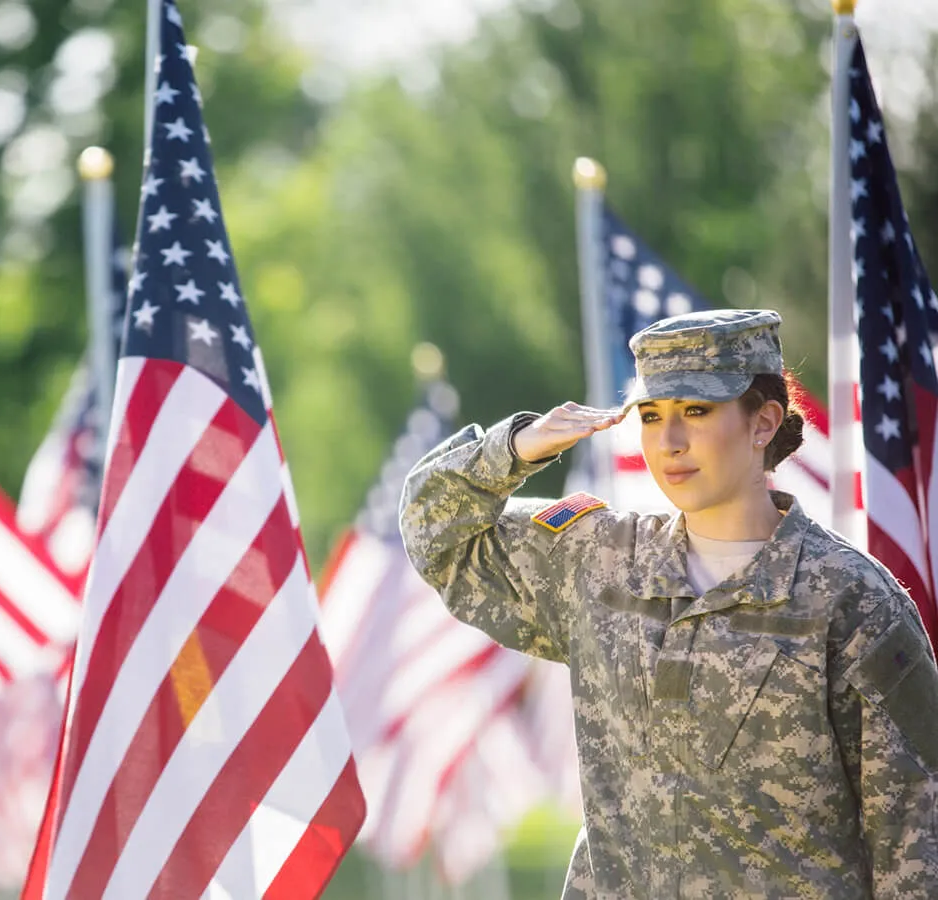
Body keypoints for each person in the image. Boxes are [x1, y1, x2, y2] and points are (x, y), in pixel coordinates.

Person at [398, 308, 938, 898]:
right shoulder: (599, 560)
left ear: (763, 423)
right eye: (652, 417)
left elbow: (915, 829)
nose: (670, 442)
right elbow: (438, 537)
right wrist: (516, 448)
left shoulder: (850, 597)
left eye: (697, 412)